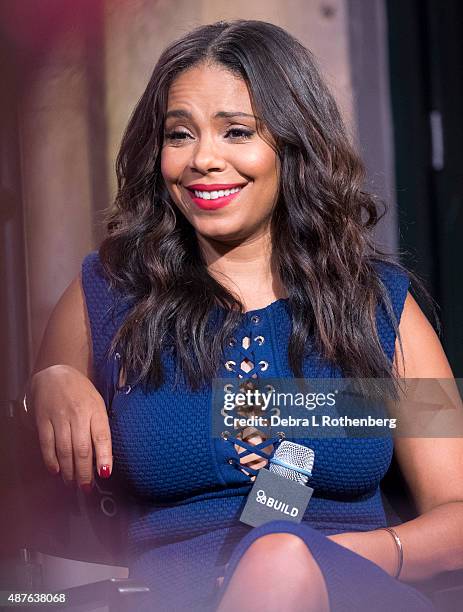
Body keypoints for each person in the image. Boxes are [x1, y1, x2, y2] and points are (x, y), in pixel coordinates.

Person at [27, 19, 463, 612]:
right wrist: (48, 379)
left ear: (293, 144)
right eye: (180, 135)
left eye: (236, 132)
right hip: (168, 600)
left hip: (353, 591)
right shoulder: (107, 296)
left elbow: (458, 512)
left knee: (279, 556)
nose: (204, 158)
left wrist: (339, 554)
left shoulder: (378, 305)